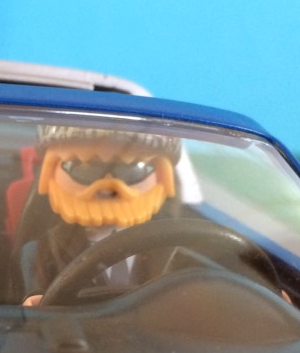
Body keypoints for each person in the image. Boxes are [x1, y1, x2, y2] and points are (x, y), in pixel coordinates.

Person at [20, 125, 183, 305]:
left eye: (131, 169)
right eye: (84, 169)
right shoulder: (40, 252)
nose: (109, 187)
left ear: (165, 175)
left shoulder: (176, 247)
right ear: (49, 172)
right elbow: (34, 303)